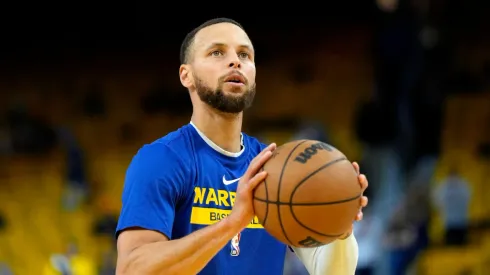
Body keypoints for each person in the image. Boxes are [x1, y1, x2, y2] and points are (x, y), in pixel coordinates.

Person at [115, 18, 369, 275]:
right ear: (186, 75)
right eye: (217, 52)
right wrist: (234, 221)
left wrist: (339, 225)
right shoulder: (162, 159)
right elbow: (132, 270)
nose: (235, 61)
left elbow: (331, 272)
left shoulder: (275, 167)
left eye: (245, 55)